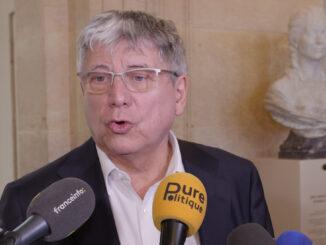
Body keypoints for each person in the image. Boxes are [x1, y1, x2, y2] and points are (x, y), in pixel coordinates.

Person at [0, 10, 273, 245]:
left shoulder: (237, 179)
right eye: (99, 78)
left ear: (179, 93)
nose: (117, 97)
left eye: (139, 77)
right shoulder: (28, 203)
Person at [265, 5, 326, 158]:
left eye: (324, 32)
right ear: (296, 38)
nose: (320, 40)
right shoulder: (280, 91)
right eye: (312, 33)